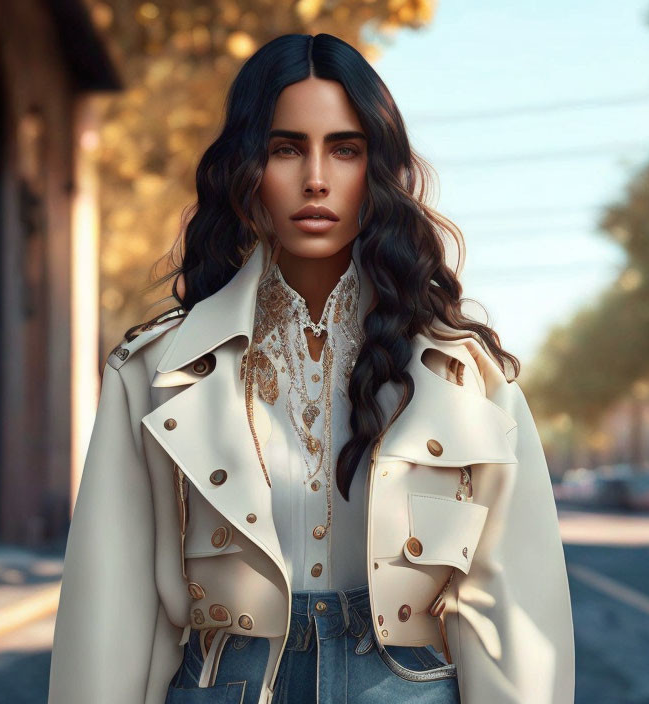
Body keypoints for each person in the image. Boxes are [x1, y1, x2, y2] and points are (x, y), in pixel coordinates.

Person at [47, 33, 574, 704]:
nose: (316, 178)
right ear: (247, 166)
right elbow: (113, 612)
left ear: (376, 169)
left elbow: (512, 616)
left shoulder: (471, 378)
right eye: (286, 148)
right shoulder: (151, 370)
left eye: (346, 149)